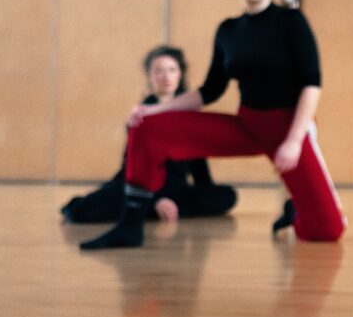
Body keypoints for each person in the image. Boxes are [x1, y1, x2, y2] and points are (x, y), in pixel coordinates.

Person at [80, 0, 345, 250]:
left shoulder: (291, 22)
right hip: (247, 126)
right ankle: (130, 226)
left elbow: (312, 83)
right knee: (147, 126)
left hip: (288, 129)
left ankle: (294, 209)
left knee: (327, 231)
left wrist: (295, 140)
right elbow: (209, 91)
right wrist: (154, 110)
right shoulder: (229, 31)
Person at [61, 46, 237, 225]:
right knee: (79, 212)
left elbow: (198, 161)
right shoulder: (141, 115)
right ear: (150, 76)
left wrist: (206, 191)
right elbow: (132, 166)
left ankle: (152, 208)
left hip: (175, 189)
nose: (165, 77)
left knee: (227, 196)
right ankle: (153, 206)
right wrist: (156, 199)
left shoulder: (190, 113)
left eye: (171, 70)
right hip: (142, 186)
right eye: (158, 71)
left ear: (180, 74)